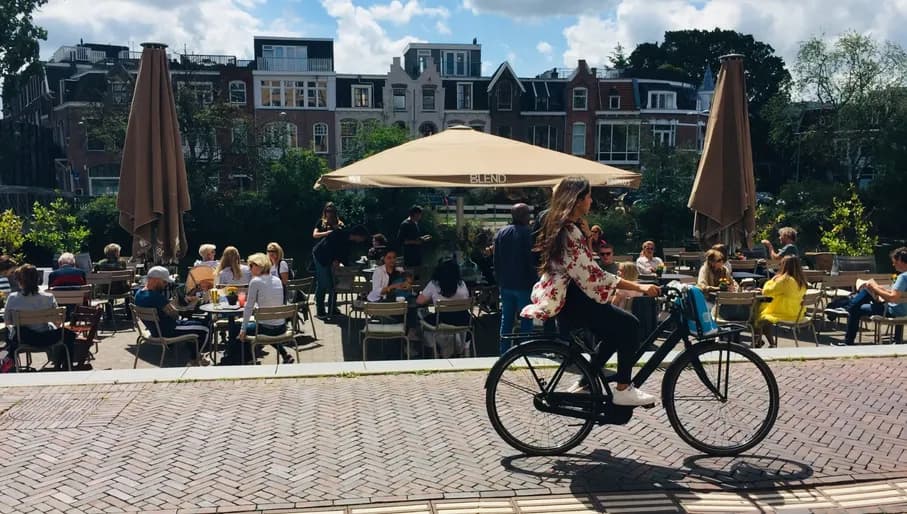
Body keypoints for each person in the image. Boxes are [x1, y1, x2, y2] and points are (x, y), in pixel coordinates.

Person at [521, 176, 660, 407]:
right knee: (630, 325)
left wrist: (586, 237)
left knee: (614, 333)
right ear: (577, 201)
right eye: (588, 196)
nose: (591, 200)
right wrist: (640, 287)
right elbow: (592, 274)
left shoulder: (569, 228)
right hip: (575, 300)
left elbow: (583, 265)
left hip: (572, 297)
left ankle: (586, 382)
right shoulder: (568, 232)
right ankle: (624, 389)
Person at [4, 264, 77, 370]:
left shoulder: (13, 298)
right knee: (69, 334)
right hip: (47, 338)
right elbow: (58, 322)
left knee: (12, 332)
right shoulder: (48, 297)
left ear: (19, 281)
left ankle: (11, 364)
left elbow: (7, 321)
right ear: (37, 279)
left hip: (24, 338)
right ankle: (64, 365)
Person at [134, 266, 210, 366]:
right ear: (155, 280)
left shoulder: (138, 294)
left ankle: (196, 355)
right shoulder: (157, 297)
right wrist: (181, 306)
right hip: (168, 330)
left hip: (155, 330)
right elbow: (175, 315)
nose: (165, 285)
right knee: (205, 328)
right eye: (164, 282)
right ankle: (194, 359)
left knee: (194, 324)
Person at [229, 253, 293, 364]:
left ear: (258, 266)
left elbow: (248, 307)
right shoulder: (277, 280)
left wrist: (243, 330)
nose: (249, 269)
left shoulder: (255, 282)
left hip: (266, 329)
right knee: (267, 323)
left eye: (250, 266)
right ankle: (284, 354)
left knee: (236, 328)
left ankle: (245, 359)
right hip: (281, 327)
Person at [835, 247, 907, 346]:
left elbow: (892, 298)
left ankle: (848, 342)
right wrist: (878, 288)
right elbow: (897, 295)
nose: (893, 264)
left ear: (900, 260)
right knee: (869, 291)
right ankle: (847, 307)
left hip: (893, 311)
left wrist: (874, 287)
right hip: (903, 310)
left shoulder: (903, 277)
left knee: (857, 308)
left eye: (894, 262)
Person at [493, 203, 536, 354]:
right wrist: (535, 280)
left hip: (506, 283)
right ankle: (525, 350)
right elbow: (530, 259)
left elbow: (496, 259)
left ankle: (504, 352)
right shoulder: (527, 233)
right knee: (526, 318)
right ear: (524, 216)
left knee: (507, 319)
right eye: (528, 214)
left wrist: (499, 279)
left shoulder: (501, 233)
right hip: (524, 283)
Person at [311, 225, 370, 318]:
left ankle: (332, 308)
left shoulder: (350, 242)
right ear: (358, 235)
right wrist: (335, 260)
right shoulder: (338, 233)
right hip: (320, 256)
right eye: (363, 238)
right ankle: (320, 311)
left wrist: (350, 268)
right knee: (323, 283)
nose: (362, 240)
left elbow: (345, 256)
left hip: (331, 259)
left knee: (334, 284)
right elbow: (329, 247)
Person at [753, 255, 808, 348]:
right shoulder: (801, 281)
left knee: (761, 317)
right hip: (797, 312)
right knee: (763, 316)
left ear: (784, 265)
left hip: (783, 311)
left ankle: (767, 342)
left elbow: (767, 291)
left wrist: (773, 279)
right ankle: (760, 341)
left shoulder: (785, 280)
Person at [416, 259, 471, 326]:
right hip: (463, 321)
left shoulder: (434, 284)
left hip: (441, 322)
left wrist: (432, 299)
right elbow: (466, 297)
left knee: (420, 313)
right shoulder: (462, 284)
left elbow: (419, 301)